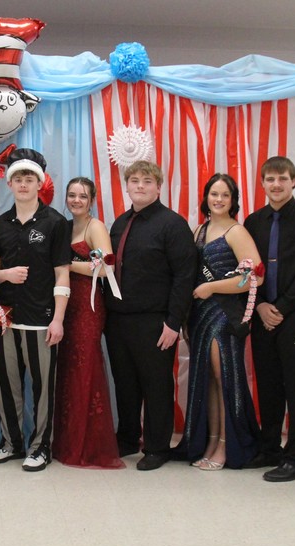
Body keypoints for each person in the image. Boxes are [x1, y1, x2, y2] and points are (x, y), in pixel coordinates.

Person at [104, 160, 195, 471]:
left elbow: (185, 276)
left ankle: (157, 446)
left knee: (156, 385)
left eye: (146, 181)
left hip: (154, 320)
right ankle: (129, 437)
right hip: (118, 320)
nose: (139, 185)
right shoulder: (119, 223)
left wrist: (173, 322)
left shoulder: (173, 224)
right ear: (127, 186)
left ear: (159, 187)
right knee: (125, 383)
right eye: (134, 181)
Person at [0, 148, 71, 473]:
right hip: (5, 317)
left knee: (42, 386)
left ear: (39, 182)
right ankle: (11, 442)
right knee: (6, 383)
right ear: (9, 184)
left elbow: (62, 272)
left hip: (41, 317)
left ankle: (40, 447)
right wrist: (4, 275)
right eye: (18, 178)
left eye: (29, 178)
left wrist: (58, 319)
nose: (23, 184)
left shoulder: (55, 222)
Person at [242, 156, 295, 482]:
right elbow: (247, 267)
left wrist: (283, 307)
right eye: (270, 179)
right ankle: (270, 448)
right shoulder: (254, 221)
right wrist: (262, 305)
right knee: (269, 386)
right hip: (262, 314)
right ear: (262, 183)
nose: (276, 185)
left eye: (282, 179)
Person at [177, 173, 261, 471]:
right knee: (209, 381)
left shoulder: (237, 232)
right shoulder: (200, 228)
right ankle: (211, 440)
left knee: (224, 378)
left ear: (233, 200)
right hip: (200, 314)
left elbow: (255, 277)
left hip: (224, 315)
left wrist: (213, 288)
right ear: (206, 197)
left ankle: (228, 446)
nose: (219, 199)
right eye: (214, 194)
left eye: (225, 195)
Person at [53, 177, 123, 469]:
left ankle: (89, 445)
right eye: (72, 195)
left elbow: (107, 268)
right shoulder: (67, 227)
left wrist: (66, 265)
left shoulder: (96, 227)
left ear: (92, 199)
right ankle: (68, 441)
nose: (76, 200)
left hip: (88, 307)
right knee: (69, 370)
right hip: (67, 305)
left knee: (85, 367)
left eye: (82, 196)